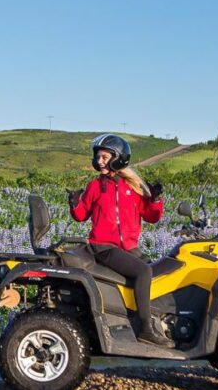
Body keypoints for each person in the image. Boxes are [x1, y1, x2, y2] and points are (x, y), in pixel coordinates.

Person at [68, 134, 174, 347]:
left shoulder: (133, 187)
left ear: (118, 158)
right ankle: (145, 330)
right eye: (98, 157)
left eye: (105, 157)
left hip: (129, 247)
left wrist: (155, 199)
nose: (100, 162)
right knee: (143, 272)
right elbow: (81, 215)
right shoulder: (95, 186)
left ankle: (156, 321)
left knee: (157, 271)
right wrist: (74, 203)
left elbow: (152, 217)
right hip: (103, 247)